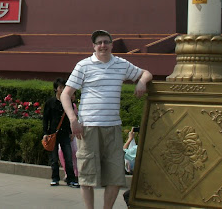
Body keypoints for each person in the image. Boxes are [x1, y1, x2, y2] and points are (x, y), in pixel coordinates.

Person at [60, 29, 152, 209]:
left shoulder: (121, 64)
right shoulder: (83, 65)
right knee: (87, 176)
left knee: (116, 176)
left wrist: (141, 81)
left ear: (111, 45)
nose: (103, 45)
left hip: (113, 127)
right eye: (99, 43)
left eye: (106, 42)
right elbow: (66, 94)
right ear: (94, 47)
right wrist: (73, 119)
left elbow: (146, 73)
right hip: (88, 127)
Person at [43, 78, 79, 188]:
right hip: (53, 134)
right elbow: (45, 119)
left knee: (68, 158)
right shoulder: (50, 103)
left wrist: (72, 132)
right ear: (56, 89)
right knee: (54, 159)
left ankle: (71, 179)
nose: (63, 89)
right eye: (60, 87)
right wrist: (45, 133)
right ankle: (55, 178)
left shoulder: (68, 102)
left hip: (65, 135)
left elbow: (72, 118)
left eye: (64, 87)